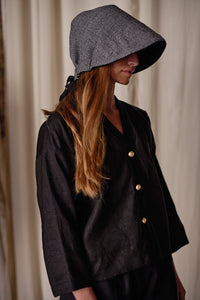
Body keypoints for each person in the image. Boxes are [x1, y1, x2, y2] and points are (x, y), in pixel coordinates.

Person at [36, 5, 189, 300]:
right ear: (98, 53)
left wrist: (171, 273)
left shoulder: (137, 120)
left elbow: (156, 200)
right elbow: (58, 223)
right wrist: (83, 294)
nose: (135, 61)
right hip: (102, 284)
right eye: (125, 52)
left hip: (155, 274)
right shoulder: (60, 131)